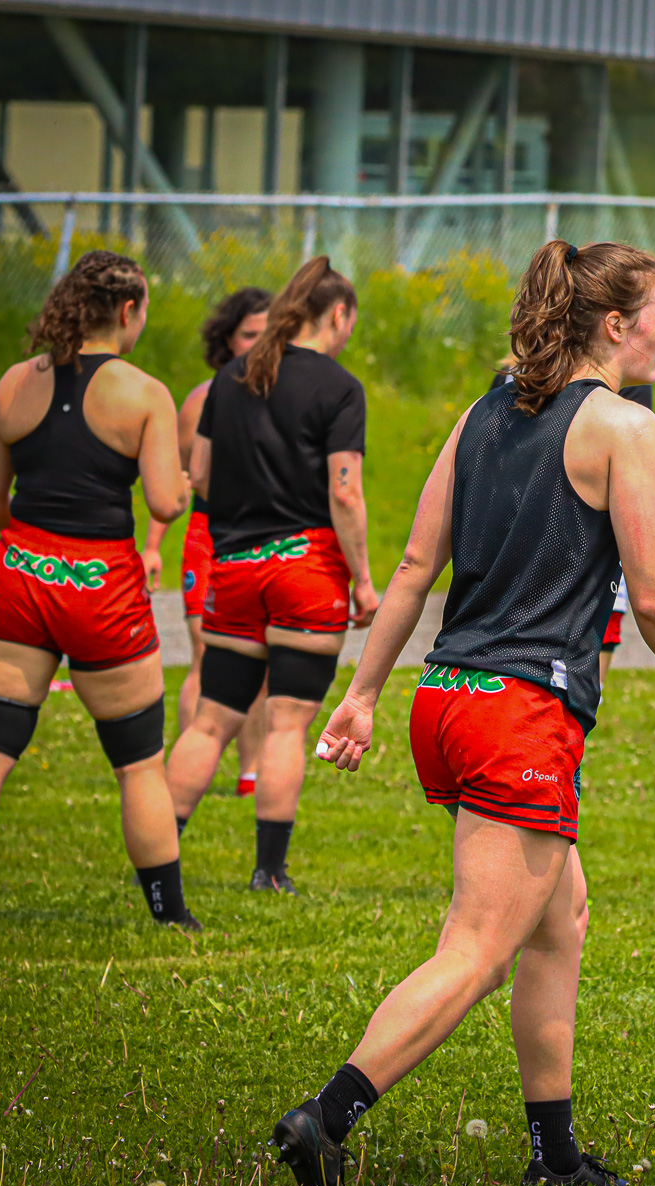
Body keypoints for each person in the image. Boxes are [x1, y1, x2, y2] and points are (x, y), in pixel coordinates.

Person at [269, 240, 655, 1186]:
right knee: (477, 949)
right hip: (521, 709)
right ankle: (327, 1116)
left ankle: (552, 1151)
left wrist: (363, 694)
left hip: (449, 699)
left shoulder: (482, 411)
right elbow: (654, 600)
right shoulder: (623, 426)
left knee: (559, 917)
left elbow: (411, 569)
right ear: (615, 325)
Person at [0, 250, 197, 933]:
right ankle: (169, 917)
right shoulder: (143, 392)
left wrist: (29, 546)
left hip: (22, 570)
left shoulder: (14, 383)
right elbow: (166, 504)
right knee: (138, 764)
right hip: (102, 581)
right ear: (130, 310)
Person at [164, 258, 377, 895]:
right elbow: (346, 494)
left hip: (231, 565)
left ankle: (160, 851)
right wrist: (363, 578)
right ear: (337, 314)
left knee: (211, 719)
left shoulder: (230, 379)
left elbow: (198, 475)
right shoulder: (339, 388)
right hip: (306, 569)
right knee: (287, 722)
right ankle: (268, 871)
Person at [490, 366, 655, 679]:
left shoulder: (503, 385)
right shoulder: (619, 384)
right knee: (571, 704)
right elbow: (643, 491)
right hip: (583, 573)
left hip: (515, 570)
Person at [144, 287, 272, 797]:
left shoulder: (284, 394)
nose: (259, 345)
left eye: (267, 335)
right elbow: (173, 478)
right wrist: (153, 545)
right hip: (209, 537)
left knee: (261, 661)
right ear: (227, 339)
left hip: (265, 539)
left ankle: (251, 772)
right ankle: (185, 761)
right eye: (249, 335)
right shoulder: (201, 399)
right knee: (206, 656)